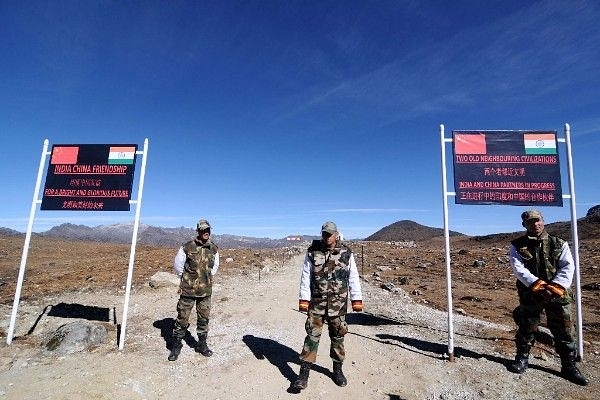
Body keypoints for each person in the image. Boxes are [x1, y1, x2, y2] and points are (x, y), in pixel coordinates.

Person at [507, 210, 588, 385]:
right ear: (524, 225)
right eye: (530, 222)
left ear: (543, 221)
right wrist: (539, 286)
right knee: (527, 326)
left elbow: (568, 266)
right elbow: (518, 269)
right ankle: (522, 358)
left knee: (565, 331)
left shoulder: (559, 243)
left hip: (558, 295)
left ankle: (569, 366)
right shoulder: (517, 245)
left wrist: (554, 288)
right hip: (531, 294)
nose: (534, 224)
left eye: (537, 221)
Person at [293, 221, 363, 390]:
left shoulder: (347, 253)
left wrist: (356, 299)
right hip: (317, 304)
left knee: (338, 337)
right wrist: (304, 299)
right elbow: (306, 276)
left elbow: (353, 276)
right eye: (324, 233)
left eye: (330, 234)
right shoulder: (313, 252)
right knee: (311, 337)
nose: (327, 236)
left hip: (338, 305)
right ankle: (303, 375)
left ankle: (337, 371)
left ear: (336, 234)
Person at [168, 219, 220, 361]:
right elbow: (178, 267)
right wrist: (188, 279)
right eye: (203, 230)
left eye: (208, 230)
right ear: (198, 231)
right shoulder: (187, 247)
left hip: (205, 291)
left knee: (203, 319)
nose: (206, 232)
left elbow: (214, 268)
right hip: (188, 291)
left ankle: (202, 345)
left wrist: (205, 278)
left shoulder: (214, 248)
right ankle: (176, 346)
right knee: (182, 318)